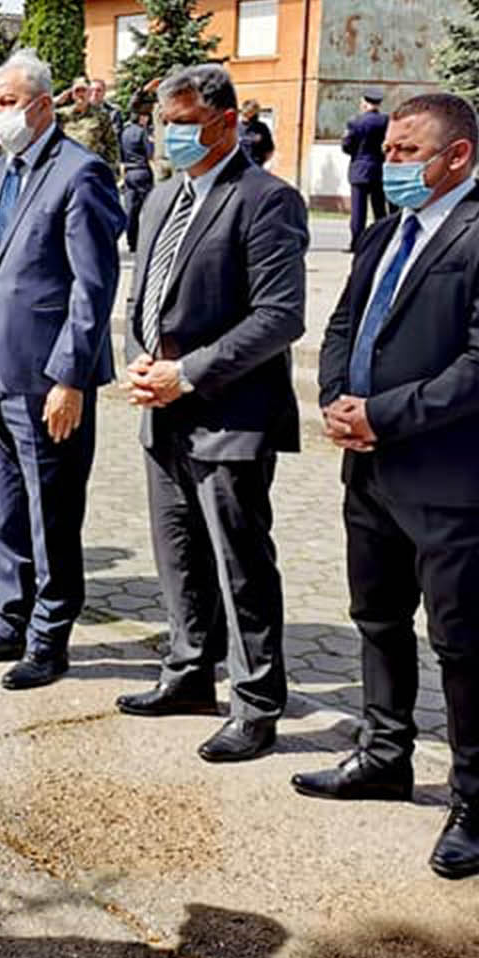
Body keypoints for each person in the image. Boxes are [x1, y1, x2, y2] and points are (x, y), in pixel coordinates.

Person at [305, 92, 479, 880]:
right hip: (369, 465)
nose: (391, 164)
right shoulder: (383, 235)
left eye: (408, 153)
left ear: (457, 158)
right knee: (376, 617)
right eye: (392, 152)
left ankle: (475, 802)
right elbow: (345, 325)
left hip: (448, 478)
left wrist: (384, 415)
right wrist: (337, 401)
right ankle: (383, 754)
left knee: (461, 639)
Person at [113, 65, 308, 764]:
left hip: (229, 414)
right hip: (159, 409)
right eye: (166, 123)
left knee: (240, 565)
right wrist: (139, 358)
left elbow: (280, 316)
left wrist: (187, 374)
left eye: (185, 123)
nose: (171, 136)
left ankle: (256, 704)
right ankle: (189, 672)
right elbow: (147, 293)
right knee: (179, 556)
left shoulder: (266, 200)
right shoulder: (163, 198)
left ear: (226, 122)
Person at [0, 49, 123, 690]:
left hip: (52, 380)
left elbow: (92, 285)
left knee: (52, 514)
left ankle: (50, 638)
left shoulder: (81, 174)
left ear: (43, 105)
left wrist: (71, 377)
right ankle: (10, 618)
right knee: (3, 509)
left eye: (8, 104)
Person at [341, 90, 388, 248]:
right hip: (379, 169)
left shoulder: (355, 122)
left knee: (358, 211)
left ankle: (357, 242)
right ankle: (382, 241)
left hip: (359, 169)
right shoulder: (385, 122)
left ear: (365, 103)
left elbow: (347, 146)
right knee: (379, 208)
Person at [57, 75, 119, 168]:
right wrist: (57, 101)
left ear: (89, 92)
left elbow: (112, 144)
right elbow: (40, 115)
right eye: (77, 91)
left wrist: (109, 169)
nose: (80, 94)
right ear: (72, 94)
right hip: (68, 168)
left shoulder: (101, 115)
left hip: (91, 168)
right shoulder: (61, 115)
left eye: (84, 90)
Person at [119, 101, 154, 253]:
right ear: (141, 117)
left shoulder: (124, 132)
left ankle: (131, 241)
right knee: (147, 209)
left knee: (131, 210)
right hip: (142, 172)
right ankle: (145, 241)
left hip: (128, 172)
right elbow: (150, 154)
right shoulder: (142, 132)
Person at [240, 101, 277, 168]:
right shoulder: (235, 127)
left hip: (255, 165)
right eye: (247, 111)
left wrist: (262, 164)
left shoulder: (261, 127)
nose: (247, 114)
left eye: (251, 111)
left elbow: (269, 148)